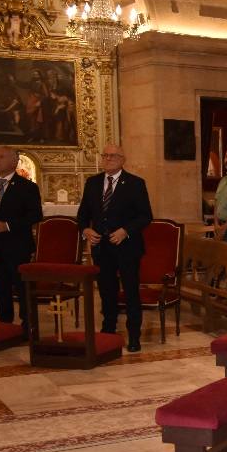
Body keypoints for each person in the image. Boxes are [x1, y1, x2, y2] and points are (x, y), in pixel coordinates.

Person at [76, 144, 153, 352]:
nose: (108, 159)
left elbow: (145, 216)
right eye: (105, 155)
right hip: (101, 247)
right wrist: (86, 230)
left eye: (113, 156)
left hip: (127, 246)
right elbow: (82, 215)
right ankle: (108, 331)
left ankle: (134, 336)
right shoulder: (92, 183)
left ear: (122, 159)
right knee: (106, 291)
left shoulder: (135, 183)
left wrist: (125, 231)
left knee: (130, 292)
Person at [0, 147, 43, 330]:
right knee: (0, 285)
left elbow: (35, 215)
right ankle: (5, 324)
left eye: (1, 157)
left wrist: (9, 225)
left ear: (14, 162)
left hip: (18, 244)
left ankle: (27, 324)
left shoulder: (27, 187)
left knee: (21, 286)